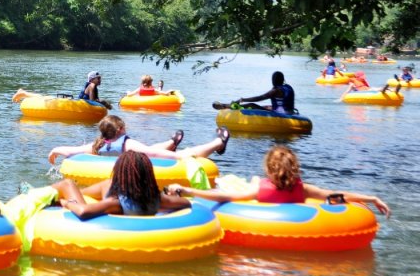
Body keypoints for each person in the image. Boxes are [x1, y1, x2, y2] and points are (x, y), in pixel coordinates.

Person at [166, 145, 390, 218]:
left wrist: (187, 190)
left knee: (236, 183)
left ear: (270, 169)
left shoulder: (261, 190)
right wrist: (370, 198)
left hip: (255, 197)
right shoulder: (303, 190)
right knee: (250, 182)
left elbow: (224, 197)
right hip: (291, 207)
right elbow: (335, 196)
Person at [51, 151, 191, 219]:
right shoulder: (158, 200)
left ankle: (42, 194)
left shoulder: (116, 203)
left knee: (68, 184)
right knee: (107, 184)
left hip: (105, 207)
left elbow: (83, 211)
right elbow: (186, 203)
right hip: (123, 195)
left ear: (121, 174)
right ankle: (80, 192)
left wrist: (66, 203)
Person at [48, 114, 229, 164]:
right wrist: (179, 156)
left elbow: (71, 151)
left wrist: (54, 151)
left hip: (115, 168)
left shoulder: (97, 145)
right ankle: (219, 142)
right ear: (121, 129)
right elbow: (153, 154)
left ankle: (171, 142)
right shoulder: (128, 144)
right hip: (138, 157)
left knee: (149, 150)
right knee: (166, 153)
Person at [213, 71, 296, 114]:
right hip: (290, 111)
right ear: (282, 79)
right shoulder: (288, 87)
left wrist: (243, 99)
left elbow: (260, 98)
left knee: (251, 105)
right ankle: (227, 105)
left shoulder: (276, 90)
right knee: (266, 107)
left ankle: (226, 106)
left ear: (273, 80)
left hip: (282, 113)